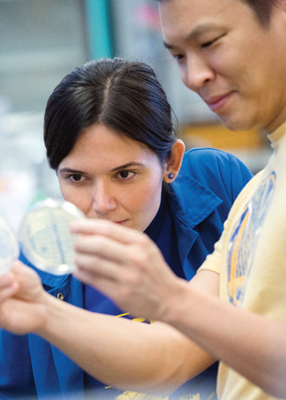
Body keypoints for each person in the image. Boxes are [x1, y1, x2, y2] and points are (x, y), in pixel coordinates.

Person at [0, 58, 253, 399]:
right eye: (76, 178)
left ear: (171, 162)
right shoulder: (37, 268)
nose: (101, 203)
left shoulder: (220, 185)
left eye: (124, 174)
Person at [68, 0, 286, 399]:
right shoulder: (256, 195)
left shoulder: (226, 182)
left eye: (210, 41)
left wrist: (169, 299)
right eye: (179, 56)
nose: (194, 76)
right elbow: (172, 357)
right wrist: (39, 312)